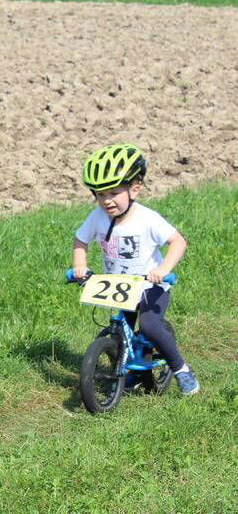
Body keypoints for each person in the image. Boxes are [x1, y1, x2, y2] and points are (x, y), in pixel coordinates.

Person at [72, 143, 200, 395]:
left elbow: (178, 242)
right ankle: (132, 373)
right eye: (100, 195)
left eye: (113, 193)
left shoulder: (147, 218)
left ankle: (182, 370)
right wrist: (80, 266)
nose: (106, 201)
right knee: (121, 332)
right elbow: (81, 240)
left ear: (135, 189)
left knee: (151, 326)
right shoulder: (97, 217)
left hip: (151, 286)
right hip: (119, 286)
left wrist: (163, 269)